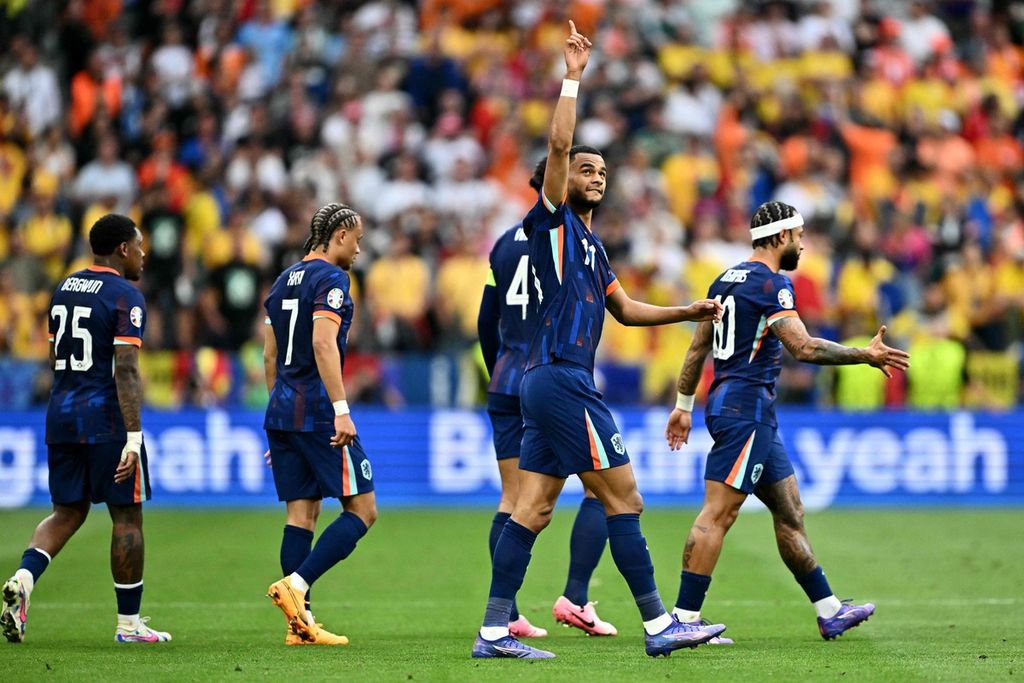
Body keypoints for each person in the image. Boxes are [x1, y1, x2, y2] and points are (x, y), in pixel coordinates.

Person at [472, 21, 726, 660]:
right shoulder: (552, 222)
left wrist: (688, 309)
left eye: (603, 170)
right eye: (587, 168)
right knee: (625, 497)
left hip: (541, 382)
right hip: (561, 378)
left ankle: (494, 631)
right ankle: (659, 623)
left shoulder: (591, 245)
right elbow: (557, 147)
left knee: (532, 509)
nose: (597, 175)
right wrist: (573, 77)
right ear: (563, 181)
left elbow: (627, 311)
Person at [664, 200, 911, 641]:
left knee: (790, 510)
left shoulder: (725, 279)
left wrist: (684, 405)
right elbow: (804, 348)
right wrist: (864, 355)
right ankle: (683, 620)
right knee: (719, 512)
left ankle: (829, 609)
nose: (801, 244)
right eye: (797, 236)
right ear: (780, 238)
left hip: (740, 407)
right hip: (746, 409)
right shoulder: (772, 284)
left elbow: (698, 345)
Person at [2, 214, 170, 644]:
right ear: (122, 250)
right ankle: (129, 625)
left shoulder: (64, 287)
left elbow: (57, 351)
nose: (144, 252)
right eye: (139, 245)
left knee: (67, 511)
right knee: (127, 516)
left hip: (61, 413)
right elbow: (126, 369)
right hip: (106, 420)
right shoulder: (125, 296)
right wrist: (133, 436)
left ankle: (23, 579)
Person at [477, 159, 616, 639]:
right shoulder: (558, 240)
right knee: (605, 491)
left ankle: (506, 614)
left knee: (514, 499)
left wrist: (499, 368)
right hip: (553, 372)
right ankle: (575, 596)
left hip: (507, 377)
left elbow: (485, 319)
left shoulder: (501, 245)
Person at [264, 203, 376, 646]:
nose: (360, 248)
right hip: (317, 411)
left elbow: (270, 355)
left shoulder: (281, 281)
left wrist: (279, 413)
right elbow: (323, 344)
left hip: (283, 409)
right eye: (359, 239)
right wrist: (341, 408)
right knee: (363, 511)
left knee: (301, 514)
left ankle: (299, 626)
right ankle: (297, 585)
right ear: (341, 234)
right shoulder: (332, 279)